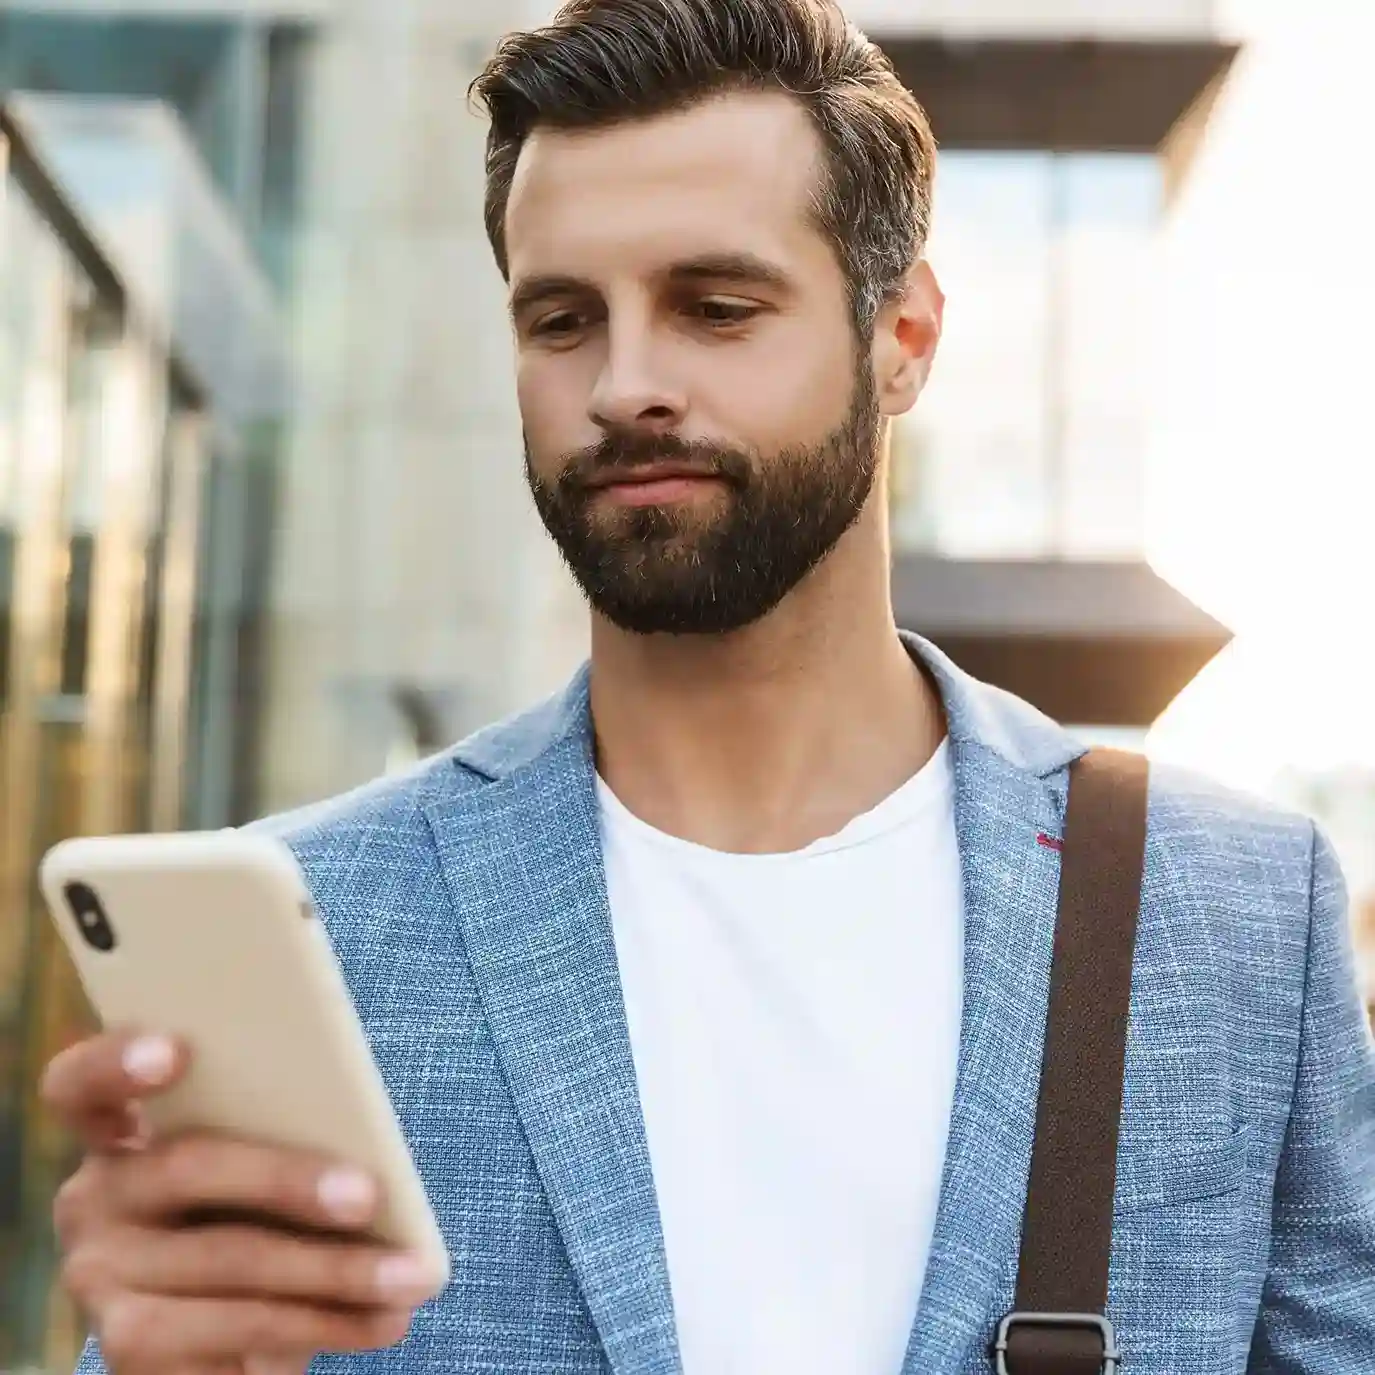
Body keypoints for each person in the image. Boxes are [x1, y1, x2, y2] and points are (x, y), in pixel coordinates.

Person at [43, 1, 1375, 1372]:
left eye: (714, 307)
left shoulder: (1230, 910)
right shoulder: (319, 924)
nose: (624, 386)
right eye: (562, 319)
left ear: (902, 333)